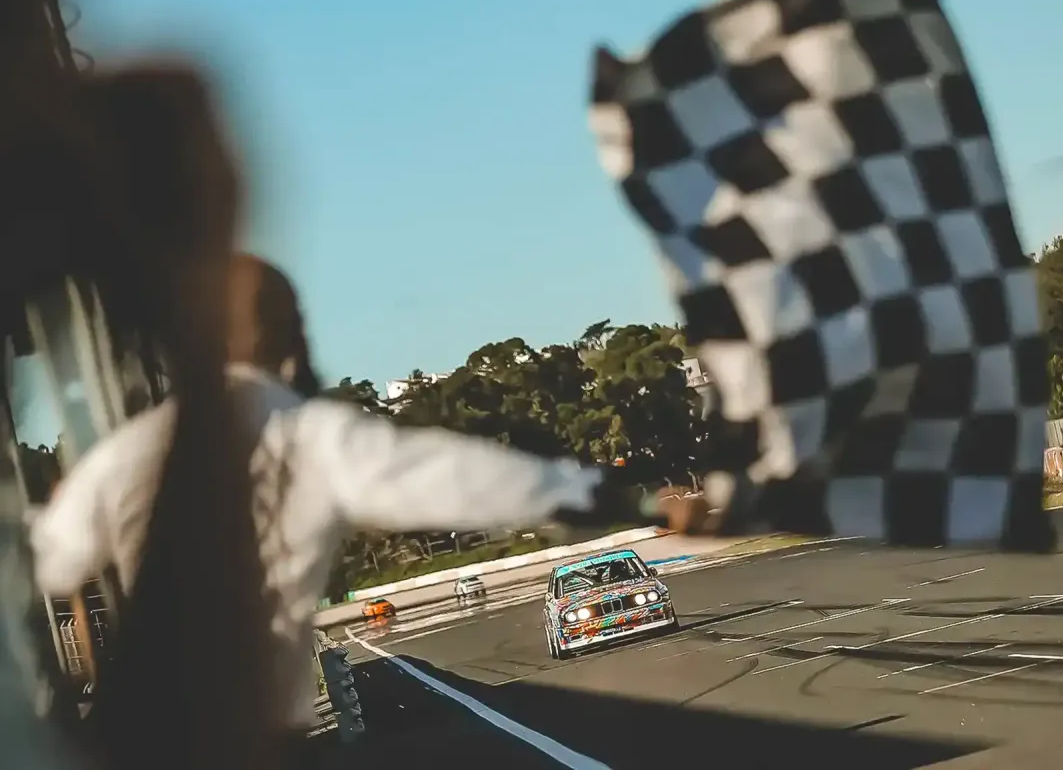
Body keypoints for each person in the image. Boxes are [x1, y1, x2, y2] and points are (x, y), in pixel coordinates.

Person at [27, 252, 704, 761]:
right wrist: (638, 498)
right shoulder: (309, 436)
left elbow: (47, 567)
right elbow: (467, 479)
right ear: (286, 338)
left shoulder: (122, 456)